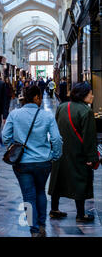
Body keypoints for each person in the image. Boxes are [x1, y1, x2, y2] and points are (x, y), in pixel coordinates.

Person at [2, 85, 62, 237]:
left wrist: (12, 147)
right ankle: (41, 225)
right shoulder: (47, 116)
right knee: (41, 192)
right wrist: (55, 155)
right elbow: (56, 138)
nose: (41, 100)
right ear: (36, 97)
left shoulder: (14, 114)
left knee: (28, 197)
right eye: (40, 97)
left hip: (22, 163)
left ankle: (33, 229)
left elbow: (5, 136)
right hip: (43, 161)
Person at [48, 82, 99, 222]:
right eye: (90, 93)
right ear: (83, 95)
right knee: (80, 180)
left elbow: (55, 129)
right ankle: (81, 214)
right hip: (78, 153)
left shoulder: (63, 106)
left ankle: (54, 209)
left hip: (61, 151)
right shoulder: (86, 111)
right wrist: (92, 157)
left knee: (58, 178)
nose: (92, 96)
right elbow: (89, 137)